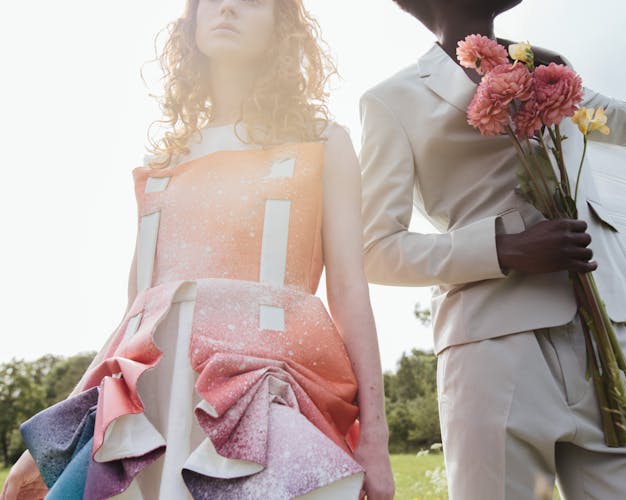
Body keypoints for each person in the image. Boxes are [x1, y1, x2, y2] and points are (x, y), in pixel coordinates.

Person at [1, 0, 394, 499]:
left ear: (282, 25)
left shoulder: (323, 142)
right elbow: (134, 319)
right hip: (150, 415)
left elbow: (349, 291)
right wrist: (49, 443)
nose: (227, 7)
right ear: (191, 19)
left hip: (260, 403)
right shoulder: (163, 160)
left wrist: (375, 440)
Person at [358, 1, 626, 498]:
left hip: (603, 334)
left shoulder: (546, 70)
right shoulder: (391, 101)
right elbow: (377, 250)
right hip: (492, 348)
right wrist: (504, 248)